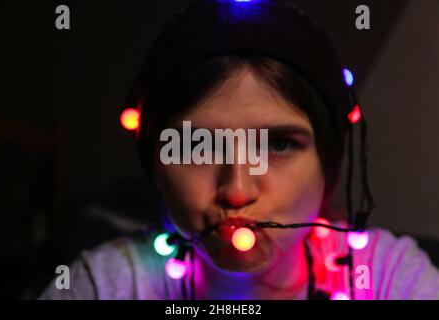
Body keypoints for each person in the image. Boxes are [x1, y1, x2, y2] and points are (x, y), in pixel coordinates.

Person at [40, 0, 439, 300]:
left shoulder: (388, 277)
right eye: (198, 145)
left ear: (327, 163)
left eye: (278, 144)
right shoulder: (103, 286)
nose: (237, 189)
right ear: (157, 165)